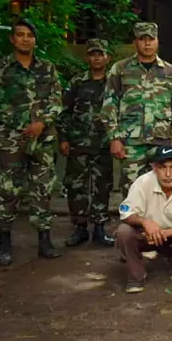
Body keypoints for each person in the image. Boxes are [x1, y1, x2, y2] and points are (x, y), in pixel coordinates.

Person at [0, 18, 63, 265]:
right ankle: (4, 242)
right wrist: (24, 125)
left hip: (43, 138)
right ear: (12, 39)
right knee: (9, 189)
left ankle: (44, 241)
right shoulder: (0, 69)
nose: (25, 39)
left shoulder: (47, 68)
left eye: (29, 35)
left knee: (42, 188)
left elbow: (56, 98)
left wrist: (42, 123)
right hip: (13, 139)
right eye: (20, 34)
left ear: (35, 40)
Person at [101, 22, 172, 197]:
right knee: (131, 189)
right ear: (135, 42)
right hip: (131, 142)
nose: (147, 43)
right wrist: (114, 138)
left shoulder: (170, 72)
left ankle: (158, 224)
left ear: (157, 41)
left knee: (163, 188)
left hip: (162, 140)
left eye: (151, 39)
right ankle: (133, 223)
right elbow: (109, 105)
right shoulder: (120, 69)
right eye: (142, 39)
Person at [115, 146, 172, 294]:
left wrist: (164, 234)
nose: (168, 174)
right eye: (162, 167)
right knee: (123, 231)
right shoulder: (142, 182)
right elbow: (125, 212)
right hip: (146, 235)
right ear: (154, 167)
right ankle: (136, 276)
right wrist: (145, 222)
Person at [58, 38, 115, 248]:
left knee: (103, 185)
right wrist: (63, 138)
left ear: (107, 57)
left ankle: (100, 227)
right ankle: (80, 227)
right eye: (92, 54)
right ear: (87, 58)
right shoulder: (77, 82)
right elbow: (64, 111)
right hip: (78, 143)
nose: (96, 58)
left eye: (100, 54)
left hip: (104, 143)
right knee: (76, 186)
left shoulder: (113, 83)